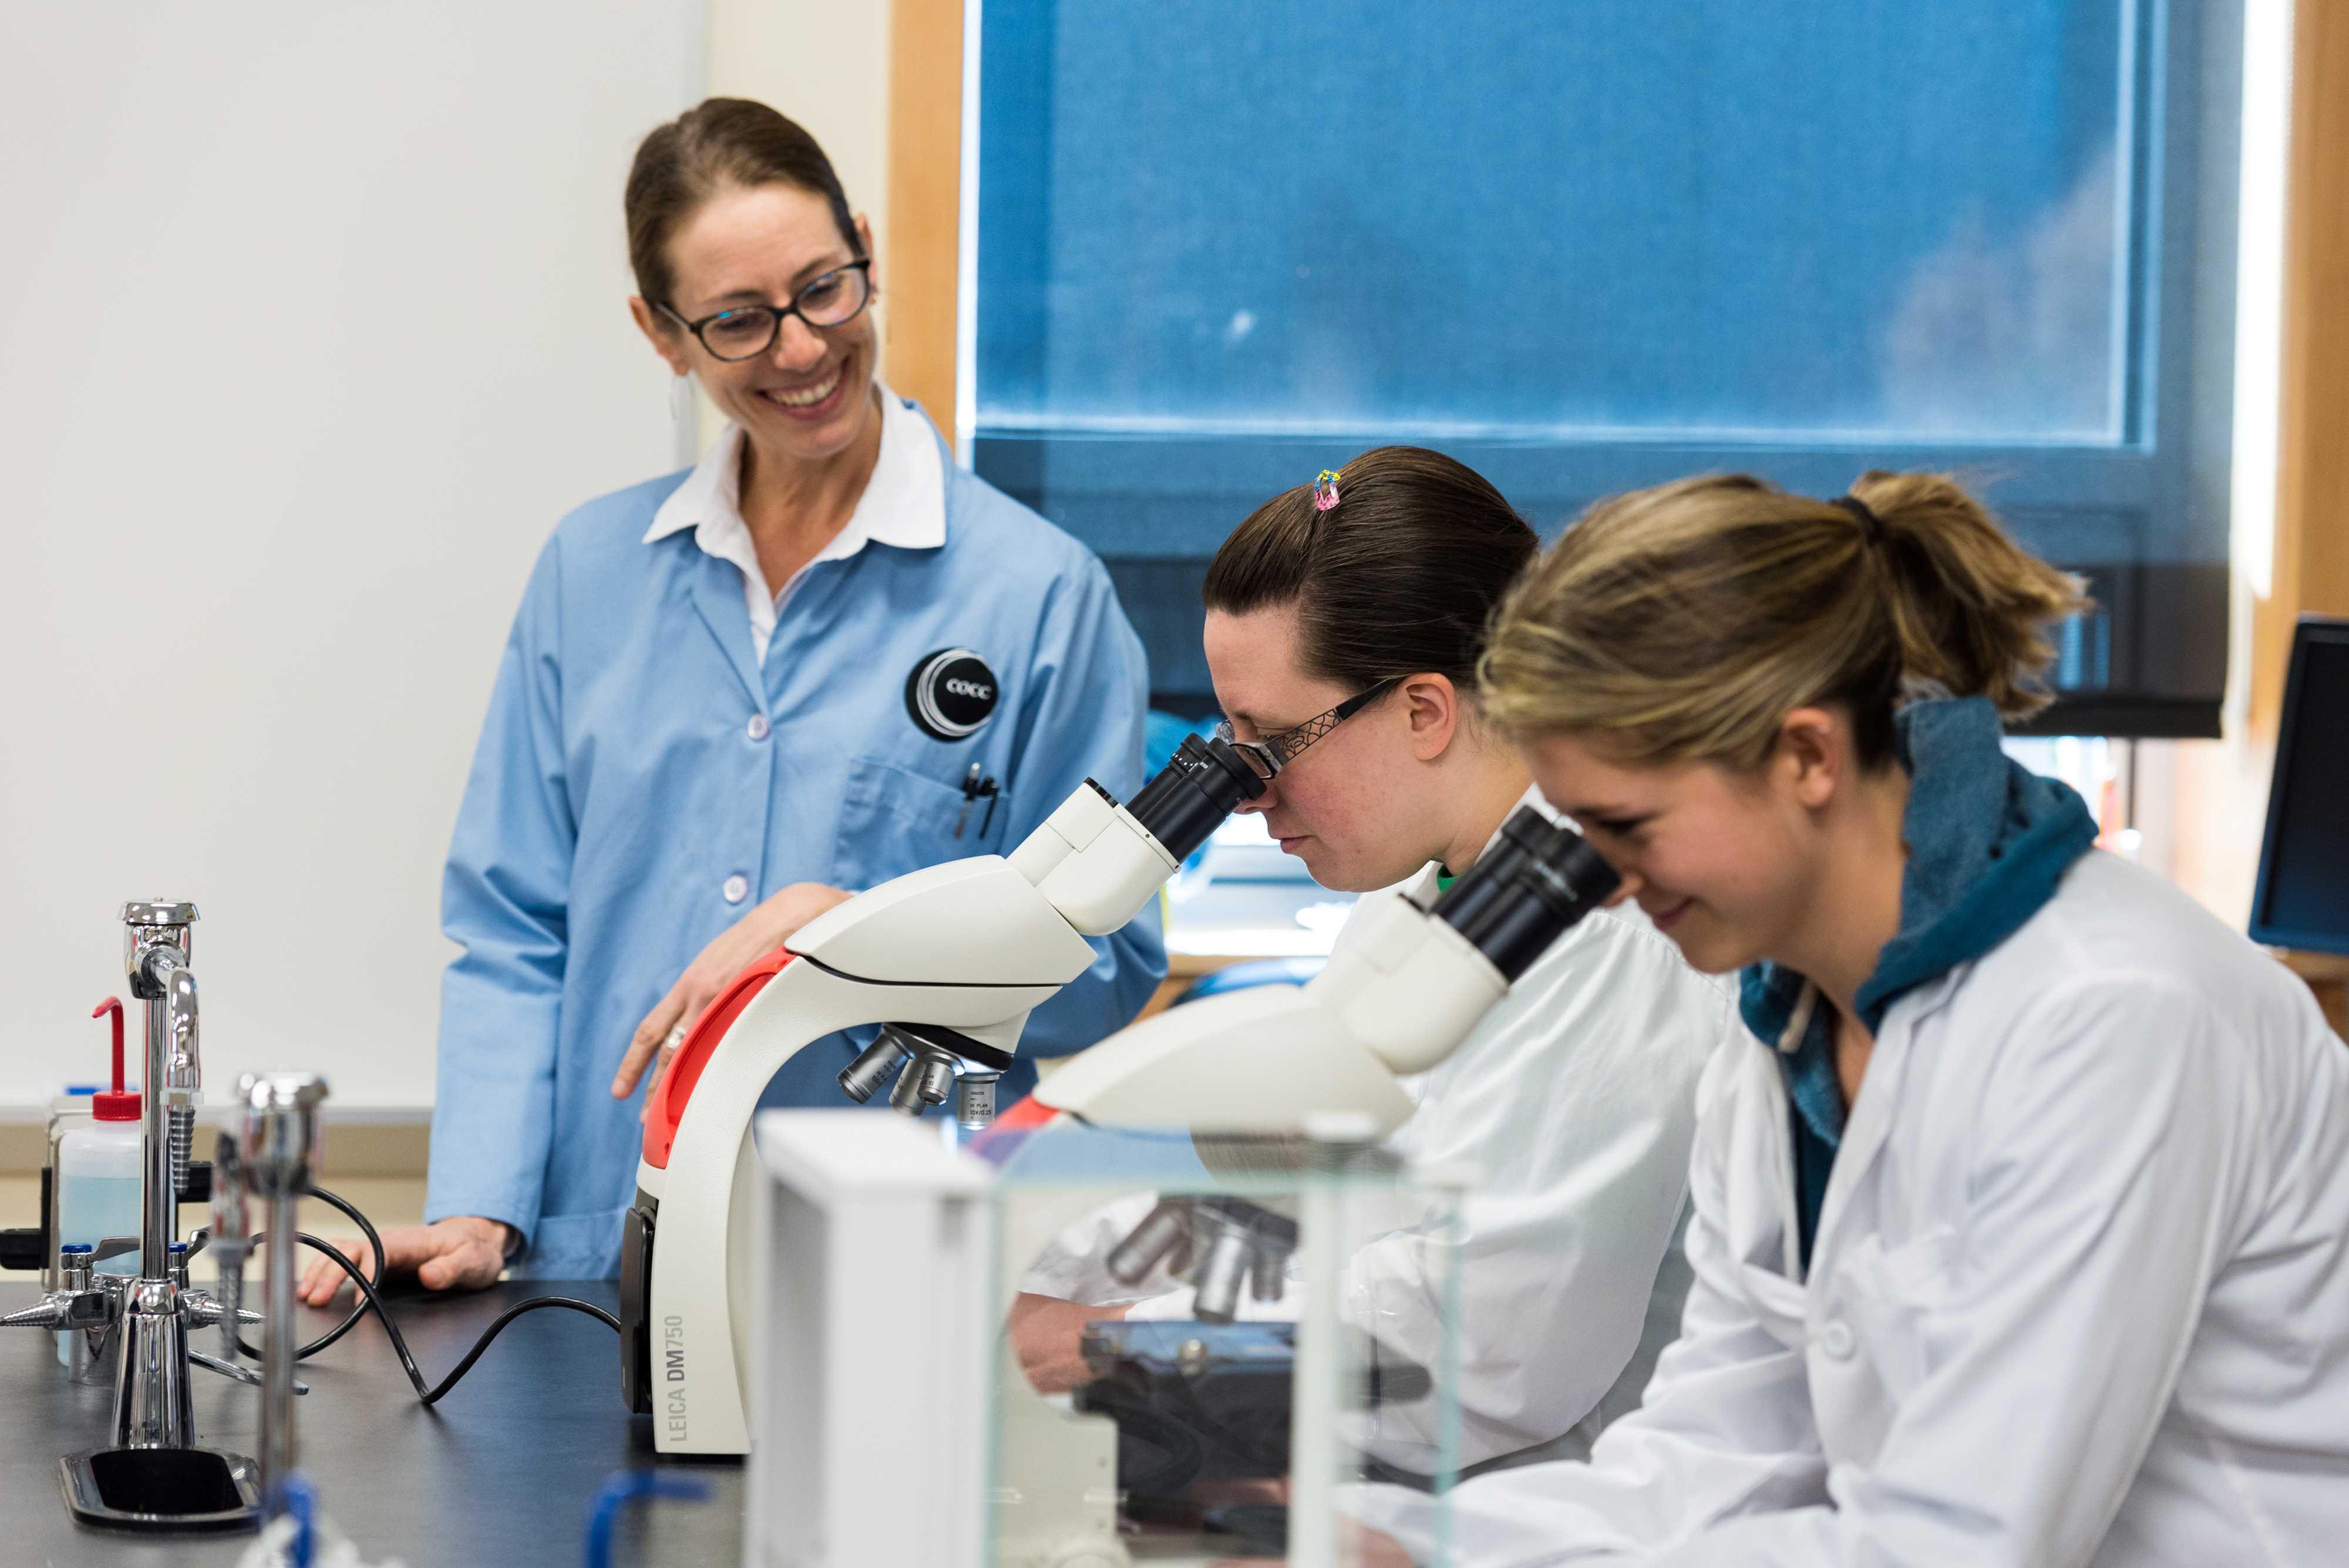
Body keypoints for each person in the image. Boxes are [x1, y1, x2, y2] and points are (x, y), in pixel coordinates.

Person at [1352, 470, 2349, 1563]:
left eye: (1627, 827)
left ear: (1809, 755)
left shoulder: (2114, 1013)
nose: (1609, 886)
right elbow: (1707, 1461)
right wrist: (1374, 1543)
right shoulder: (1778, 1029)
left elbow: (1959, 1542)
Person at [299, 99, 1159, 1297]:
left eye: (822, 290)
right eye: (741, 322)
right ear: (663, 335)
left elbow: (1105, 972)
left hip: (886, 1276)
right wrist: (481, 1207)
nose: (802, 350)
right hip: (596, 1262)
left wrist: (866, 931)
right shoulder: (590, 576)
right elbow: (512, 928)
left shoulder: (1040, 598)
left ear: (863, 248)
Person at [1014, 447, 1734, 1473]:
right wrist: (1016, 1261)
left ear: (1424, 711)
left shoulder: (1607, 931)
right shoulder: (1425, 894)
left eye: (1268, 746)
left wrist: (1101, 1342)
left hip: (1542, 1515)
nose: (1245, 792)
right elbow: (1304, 1215)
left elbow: (1486, 1339)